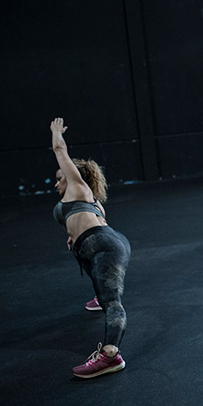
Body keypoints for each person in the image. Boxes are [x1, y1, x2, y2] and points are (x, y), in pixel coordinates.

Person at [50, 117, 131, 378]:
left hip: (106, 244)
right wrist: (75, 236)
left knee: (112, 302)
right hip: (104, 242)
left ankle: (110, 355)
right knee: (81, 249)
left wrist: (56, 134)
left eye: (60, 178)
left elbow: (60, 151)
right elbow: (87, 223)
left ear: (75, 178)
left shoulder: (78, 187)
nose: (57, 183)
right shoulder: (92, 202)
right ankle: (101, 294)